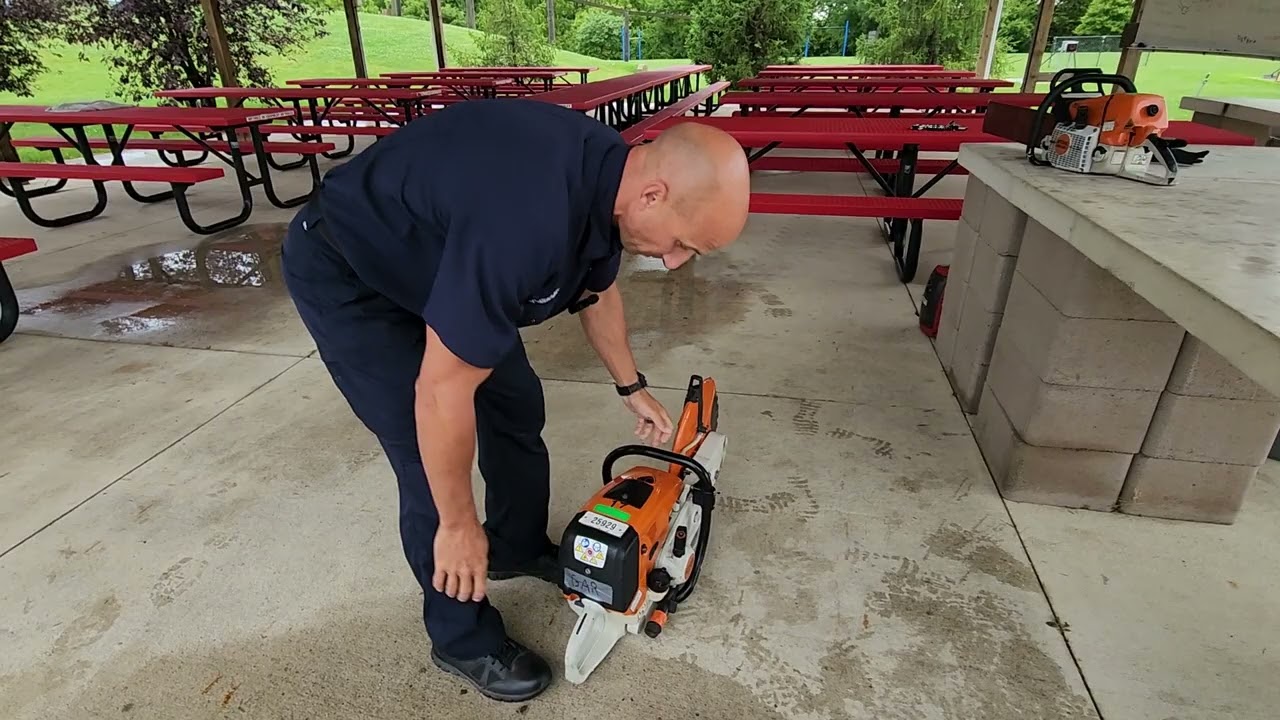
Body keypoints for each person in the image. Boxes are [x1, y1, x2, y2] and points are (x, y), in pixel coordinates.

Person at [281, 97, 750, 702]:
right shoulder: (526, 223)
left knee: (516, 402)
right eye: (685, 243)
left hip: (440, 265)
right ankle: (460, 634)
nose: (675, 260)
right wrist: (457, 523)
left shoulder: (611, 175)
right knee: (425, 457)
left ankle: (514, 542)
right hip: (350, 270)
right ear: (655, 194)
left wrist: (630, 384)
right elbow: (441, 390)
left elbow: (595, 286)